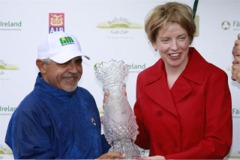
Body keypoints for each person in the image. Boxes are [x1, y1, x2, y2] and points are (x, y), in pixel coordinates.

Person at [132, 2, 232, 159]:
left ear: (190, 38)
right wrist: (121, 117)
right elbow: (144, 141)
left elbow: (219, 143)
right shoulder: (144, 79)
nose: (174, 47)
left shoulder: (214, 78)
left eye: (181, 38)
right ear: (154, 43)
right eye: (165, 40)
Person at [5, 31, 125, 159]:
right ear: (42, 66)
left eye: (78, 61)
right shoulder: (29, 112)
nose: (74, 70)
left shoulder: (85, 97)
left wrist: (119, 134)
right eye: (64, 62)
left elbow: (91, 147)